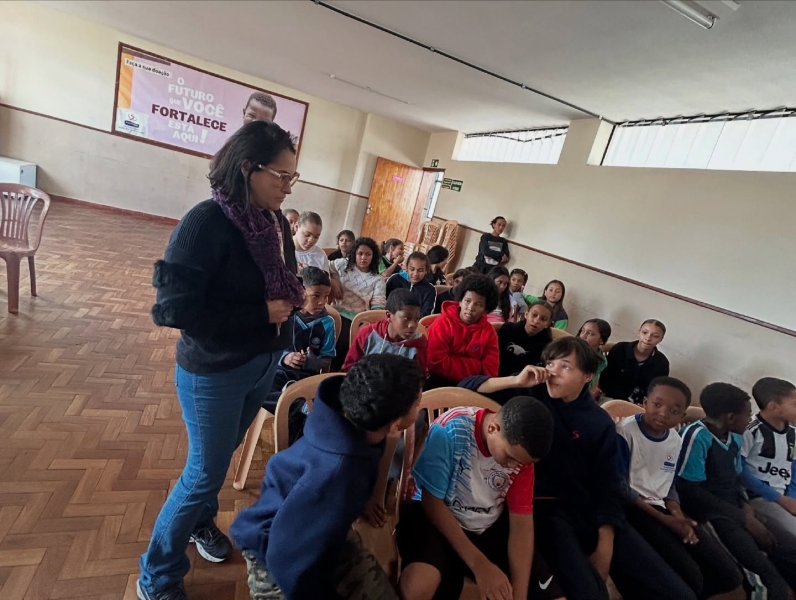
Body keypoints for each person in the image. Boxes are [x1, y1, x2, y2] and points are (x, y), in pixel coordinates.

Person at [138, 121, 303, 600]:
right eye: (281, 175)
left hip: (263, 362)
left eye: (293, 177)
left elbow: (285, 281)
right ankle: (156, 576)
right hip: (213, 371)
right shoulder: (204, 223)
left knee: (220, 455)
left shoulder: (275, 222)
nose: (287, 186)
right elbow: (174, 310)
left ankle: (199, 520)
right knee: (203, 473)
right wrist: (259, 313)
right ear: (248, 167)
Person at [461, 338, 695, 600]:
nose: (552, 372)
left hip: (589, 509)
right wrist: (514, 380)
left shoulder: (599, 422)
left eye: (565, 366)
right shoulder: (528, 394)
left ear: (587, 375)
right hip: (544, 508)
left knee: (675, 591)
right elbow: (465, 387)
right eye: (549, 363)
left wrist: (605, 545)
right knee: (589, 591)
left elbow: (608, 485)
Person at [230, 354, 425, 600]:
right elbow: (285, 561)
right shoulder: (335, 477)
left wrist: (357, 499)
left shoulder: (347, 415)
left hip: (315, 528)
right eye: (417, 403)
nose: (419, 407)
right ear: (395, 424)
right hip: (275, 557)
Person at [396, 397, 554, 600]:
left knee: (541, 587)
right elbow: (431, 502)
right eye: (510, 457)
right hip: (434, 516)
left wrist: (519, 595)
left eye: (521, 463)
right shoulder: (450, 430)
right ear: (493, 428)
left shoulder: (521, 459)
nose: (513, 466)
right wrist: (480, 565)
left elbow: (521, 524)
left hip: (484, 524)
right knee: (418, 587)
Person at [618, 377, 743, 599]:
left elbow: (669, 483)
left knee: (730, 576)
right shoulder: (625, 432)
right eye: (657, 404)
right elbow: (619, 486)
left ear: (682, 416)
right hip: (633, 509)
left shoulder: (674, 440)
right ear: (645, 402)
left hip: (663, 508)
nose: (663, 413)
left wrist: (677, 515)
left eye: (674, 411)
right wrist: (666, 520)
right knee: (692, 577)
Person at [678, 383, 796, 598]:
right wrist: (743, 518)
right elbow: (690, 491)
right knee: (767, 580)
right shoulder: (697, 437)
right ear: (730, 418)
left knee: (789, 547)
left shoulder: (734, 437)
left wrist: (747, 510)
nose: (750, 420)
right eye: (748, 415)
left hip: (736, 507)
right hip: (711, 514)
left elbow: (736, 478)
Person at [263, 267, 336, 412]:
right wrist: (285, 357)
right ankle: (299, 405)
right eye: (316, 296)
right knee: (258, 394)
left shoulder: (328, 323)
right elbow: (268, 349)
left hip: (306, 377)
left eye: (326, 296)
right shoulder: (285, 315)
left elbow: (326, 358)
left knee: (326, 398)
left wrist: (311, 360)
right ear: (300, 292)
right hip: (279, 372)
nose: (322, 302)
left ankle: (295, 403)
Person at [742, 378, 796, 557]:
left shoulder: (793, 433)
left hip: (786, 498)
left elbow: (793, 468)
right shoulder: (750, 430)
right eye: (795, 404)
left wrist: (791, 499)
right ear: (773, 407)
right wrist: (780, 500)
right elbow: (740, 472)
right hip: (760, 498)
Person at [426, 274, 500, 389]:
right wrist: (477, 366)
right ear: (460, 301)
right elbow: (435, 363)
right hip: (438, 381)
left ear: (485, 310)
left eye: (478, 304)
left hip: (472, 386)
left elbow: (490, 372)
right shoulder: (443, 323)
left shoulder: (489, 332)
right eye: (467, 301)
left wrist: (451, 360)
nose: (470, 308)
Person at [330, 237, 387, 370]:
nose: (363, 258)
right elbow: (324, 266)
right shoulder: (343, 265)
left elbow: (378, 304)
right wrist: (334, 280)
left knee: (347, 342)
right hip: (336, 313)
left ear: (373, 256)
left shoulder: (377, 279)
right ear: (354, 253)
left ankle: (339, 372)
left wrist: (369, 322)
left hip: (358, 319)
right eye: (360, 253)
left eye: (368, 254)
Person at [343, 289, 428, 373]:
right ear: (389, 316)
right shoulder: (367, 334)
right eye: (406, 318)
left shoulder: (419, 343)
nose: (412, 325)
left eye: (417, 319)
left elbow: (419, 376)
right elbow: (350, 367)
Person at [598, 319, 669, 403]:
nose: (648, 338)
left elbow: (656, 390)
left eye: (655, 336)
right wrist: (623, 401)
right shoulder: (620, 349)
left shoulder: (662, 362)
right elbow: (605, 378)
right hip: (611, 398)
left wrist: (644, 403)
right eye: (645, 332)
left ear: (661, 339)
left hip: (640, 404)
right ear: (639, 332)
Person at [497, 301, 554, 377]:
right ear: (526, 314)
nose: (536, 321)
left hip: (523, 382)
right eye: (534, 315)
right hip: (496, 377)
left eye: (543, 319)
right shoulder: (508, 329)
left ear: (548, 324)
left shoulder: (548, 345)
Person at [387, 252, 437, 317]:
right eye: (412, 269)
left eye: (420, 270)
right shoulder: (395, 279)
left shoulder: (430, 290)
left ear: (426, 271)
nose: (415, 273)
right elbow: (385, 302)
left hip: (415, 321)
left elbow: (426, 314)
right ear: (406, 268)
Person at [577, 318, 612, 390]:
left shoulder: (601, 361)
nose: (583, 336)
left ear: (601, 340)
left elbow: (591, 384)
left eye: (590, 333)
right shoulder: (570, 350)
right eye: (583, 331)